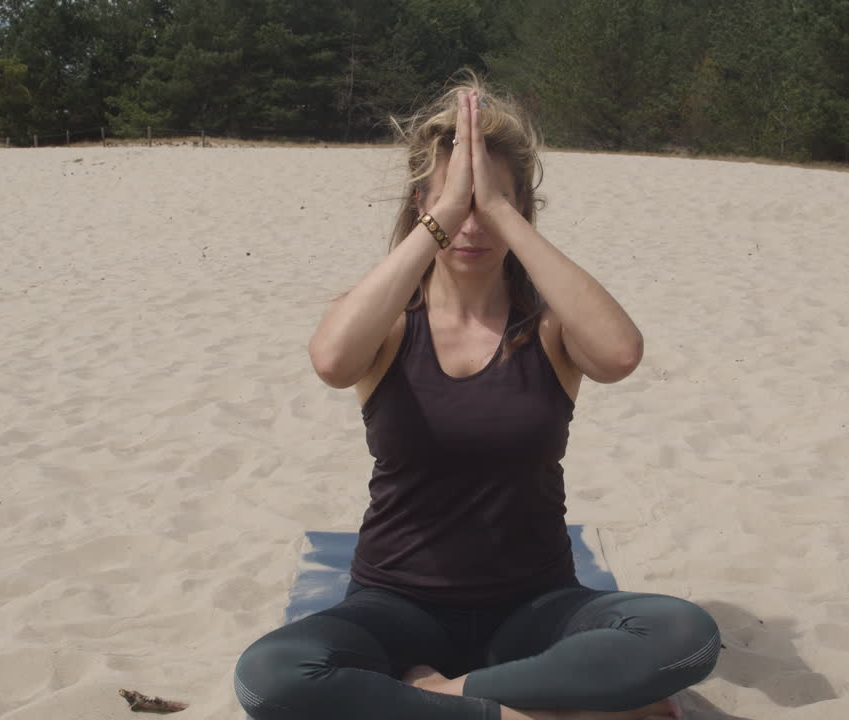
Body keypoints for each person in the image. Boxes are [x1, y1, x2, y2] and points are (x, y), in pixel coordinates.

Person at [233, 73, 720, 720]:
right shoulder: (388, 322)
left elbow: (620, 355)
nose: (472, 224)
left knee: (686, 635)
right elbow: (331, 361)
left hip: (536, 605)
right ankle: (527, 709)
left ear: (521, 211)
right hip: (395, 606)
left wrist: (502, 212)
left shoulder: (548, 327)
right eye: (452, 203)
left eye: (491, 204)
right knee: (269, 677)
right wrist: (442, 214)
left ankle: (437, 696)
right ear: (422, 206)